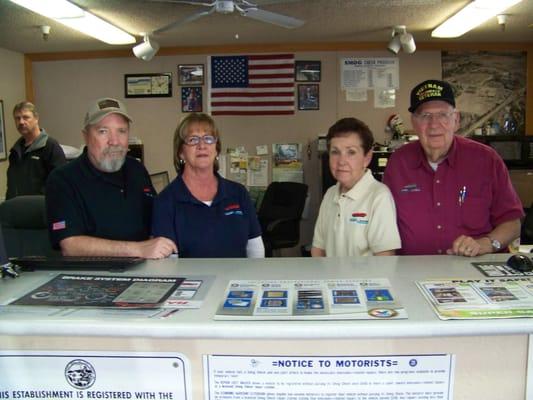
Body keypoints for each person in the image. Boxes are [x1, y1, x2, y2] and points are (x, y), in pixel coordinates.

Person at [383, 79, 524, 257]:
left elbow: (512, 223)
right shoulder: (398, 162)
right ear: (414, 122)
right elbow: (383, 223)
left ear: (456, 120)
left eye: (443, 115)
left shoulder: (487, 160)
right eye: (425, 116)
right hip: (413, 272)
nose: (434, 124)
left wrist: (486, 244)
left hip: (473, 271)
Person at [45, 98, 176, 259]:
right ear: (85, 136)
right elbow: (70, 245)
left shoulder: (136, 169)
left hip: (143, 271)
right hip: (91, 276)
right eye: (103, 131)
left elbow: (154, 224)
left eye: (121, 131)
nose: (114, 141)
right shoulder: (63, 180)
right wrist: (138, 249)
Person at [152, 113, 264, 258]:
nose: (202, 146)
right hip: (193, 280)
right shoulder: (165, 201)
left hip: (236, 279)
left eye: (208, 139)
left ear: (216, 149)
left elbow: (255, 247)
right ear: (181, 152)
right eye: (193, 140)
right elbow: (169, 262)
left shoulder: (238, 193)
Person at [311, 117, 401, 257]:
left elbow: (385, 259)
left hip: (365, 279)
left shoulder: (379, 196)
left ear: (367, 158)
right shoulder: (330, 194)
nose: (341, 161)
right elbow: (318, 249)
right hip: (332, 278)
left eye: (351, 152)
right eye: (335, 152)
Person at [6, 101, 66, 199]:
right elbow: (11, 187)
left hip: (42, 209)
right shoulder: (15, 151)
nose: (21, 122)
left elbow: (61, 184)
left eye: (26, 117)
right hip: (18, 209)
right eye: (17, 118)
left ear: (36, 118)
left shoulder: (50, 146)